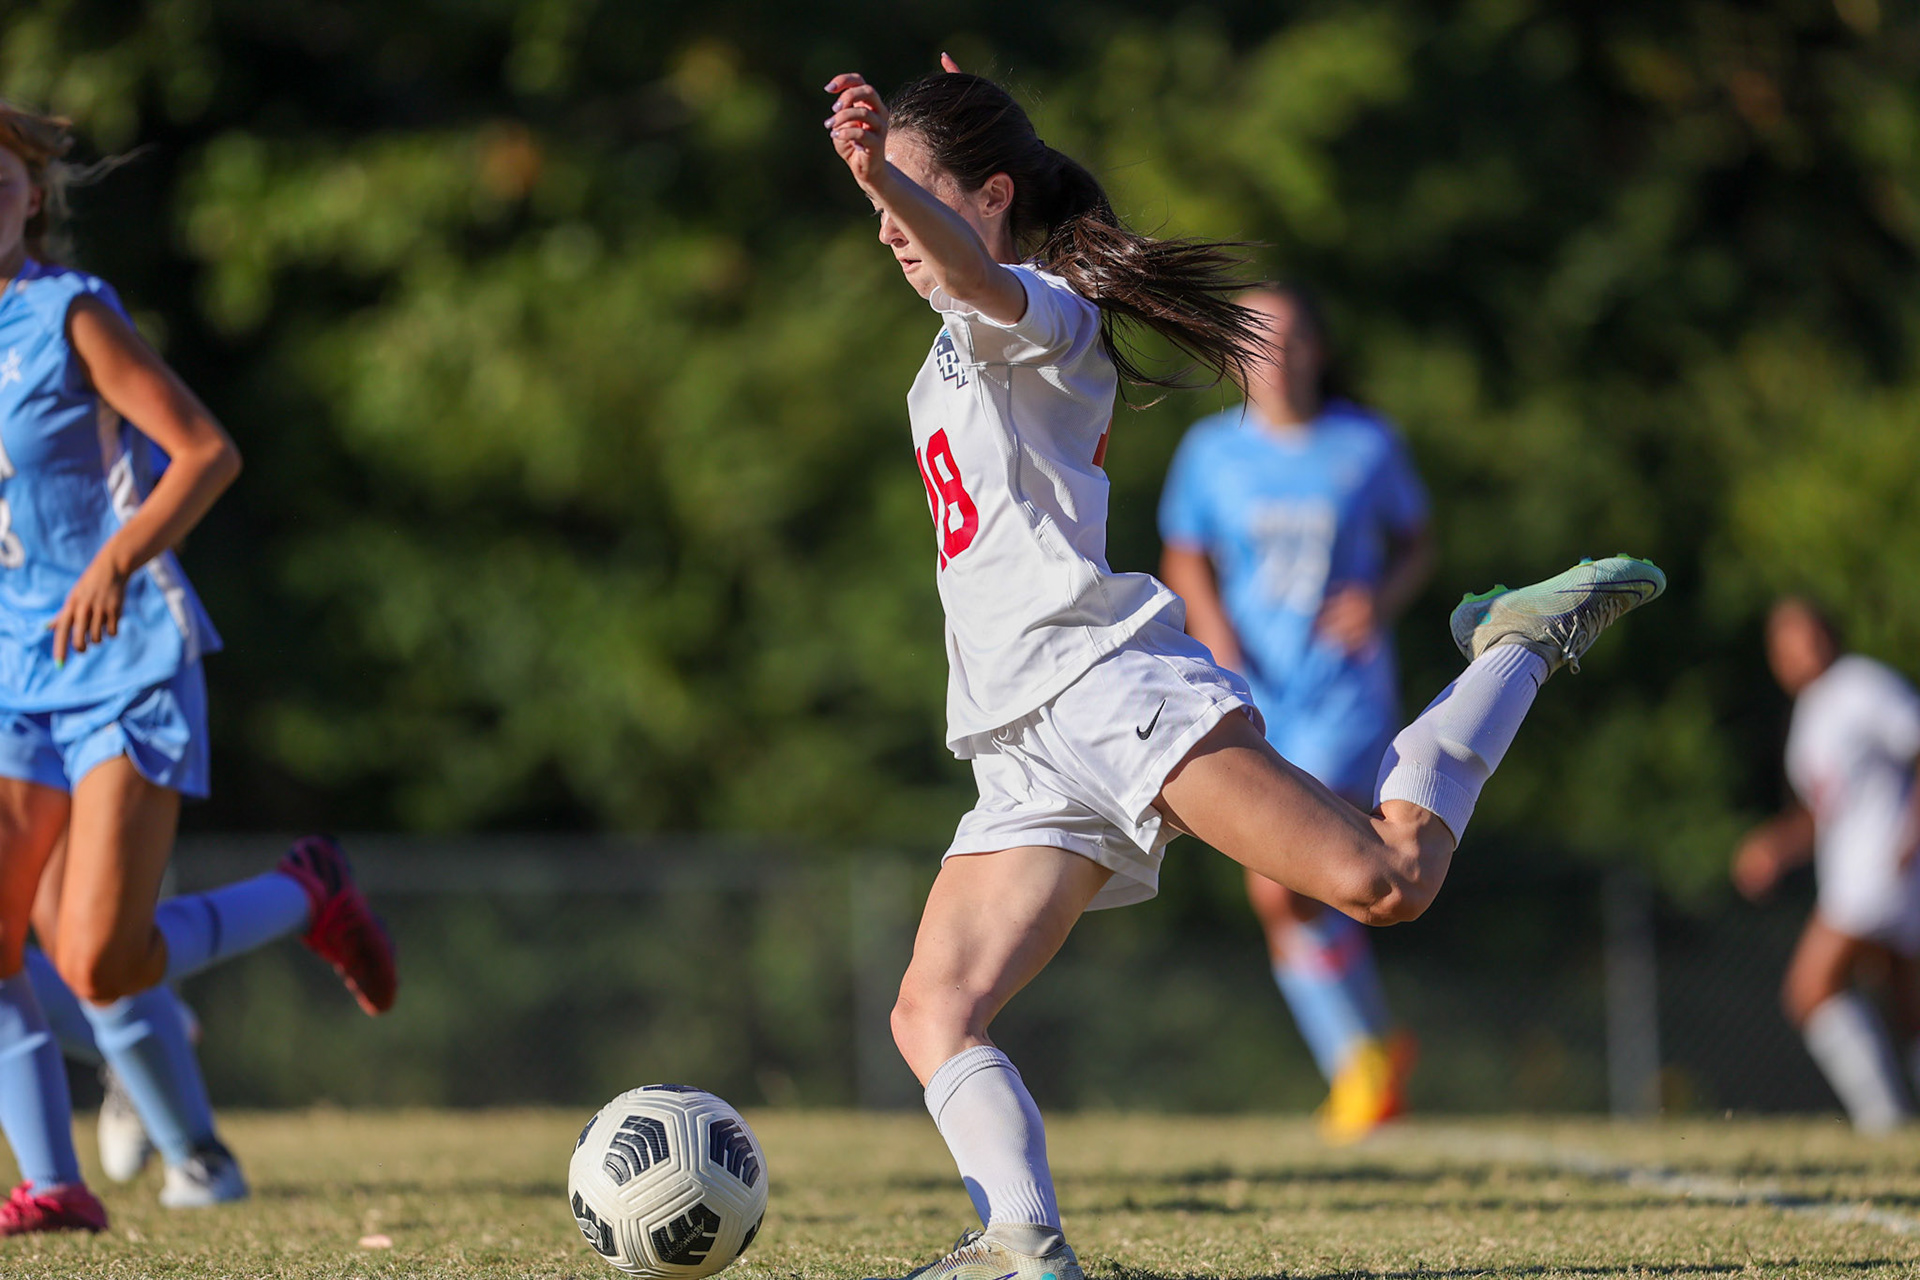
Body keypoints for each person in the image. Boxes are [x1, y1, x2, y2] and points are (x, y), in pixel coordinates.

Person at [822, 58, 1665, 1280]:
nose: (893, 226)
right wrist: (903, 170)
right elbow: (948, 257)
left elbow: (962, 267)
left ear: (990, 197)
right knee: (929, 1011)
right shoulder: (950, 340)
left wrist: (875, 181)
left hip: (1108, 691)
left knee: (1388, 880)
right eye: (886, 199)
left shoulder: (1041, 308)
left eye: (916, 196)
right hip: (1016, 738)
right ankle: (1022, 1245)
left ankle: (1517, 646)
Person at [0, 101, 398, 1235]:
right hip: (11, 673)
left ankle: (307, 889)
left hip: (125, 659)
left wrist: (116, 557)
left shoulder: (70, 312)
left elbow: (206, 451)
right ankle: (56, 1183)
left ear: (32, 196)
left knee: (97, 957)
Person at [1158, 284, 1432, 1142]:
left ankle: (1362, 1063)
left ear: (1317, 348)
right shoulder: (1210, 452)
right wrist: (1214, 632)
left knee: (1283, 881)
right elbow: (1185, 553)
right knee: (1300, 886)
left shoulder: (1365, 443)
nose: (1275, 357)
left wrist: (1379, 602)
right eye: (1255, 340)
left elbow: (1418, 541)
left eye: (1291, 338)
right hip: (1253, 693)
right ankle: (1372, 1057)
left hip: (1343, 692)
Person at [1731, 597, 1920, 1133]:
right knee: (1909, 1008)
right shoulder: (1813, 711)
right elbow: (1825, 811)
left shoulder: (1862, 685)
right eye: (1784, 642)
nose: (1798, 650)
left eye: (1806, 634)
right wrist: (1777, 846)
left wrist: (1911, 836)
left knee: (1810, 988)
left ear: (1829, 634)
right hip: (1863, 873)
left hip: (1882, 870)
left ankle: (1884, 1122)